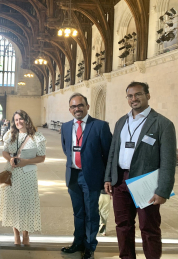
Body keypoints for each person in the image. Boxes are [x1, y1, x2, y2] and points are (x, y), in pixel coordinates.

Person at [104, 82, 176, 259]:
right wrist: (108, 178)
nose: (134, 99)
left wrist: (163, 190)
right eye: (130, 96)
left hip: (146, 182)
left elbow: (168, 161)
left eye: (138, 94)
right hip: (120, 180)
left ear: (148, 95)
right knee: (122, 225)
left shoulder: (162, 124)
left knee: (149, 227)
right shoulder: (122, 121)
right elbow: (113, 152)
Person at [60, 93, 112, 259]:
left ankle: (90, 246)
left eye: (80, 105)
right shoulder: (66, 127)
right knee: (78, 212)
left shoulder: (100, 126)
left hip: (91, 176)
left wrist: (106, 178)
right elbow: (66, 149)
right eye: (74, 106)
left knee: (91, 213)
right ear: (70, 109)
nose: (77, 109)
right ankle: (78, 242)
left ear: (87, 106)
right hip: (73, 176)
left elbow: (108, 153)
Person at [0, 110, 46, 245]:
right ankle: (16, 234)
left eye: (21, 119)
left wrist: (26, 161)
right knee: (13, 202)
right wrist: (10, 158)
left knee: (26, 203)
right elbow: (4, 152)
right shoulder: (10, 135)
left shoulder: (37, 137)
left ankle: (26, 233)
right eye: (16, 120)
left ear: (26, 119)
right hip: (11, 172)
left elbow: (42, 157)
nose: (18, 122)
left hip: (28, 174)